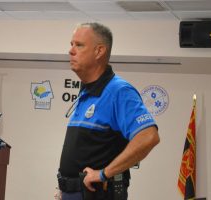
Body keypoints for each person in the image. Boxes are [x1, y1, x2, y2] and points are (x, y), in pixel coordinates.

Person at [56, 22, 160, 200]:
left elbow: (149, 137)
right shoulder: (87, 91)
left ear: (99, 51)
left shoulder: (118, 91)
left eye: (79, 45)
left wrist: (103, 173)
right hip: (72, 193)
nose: (71, 51)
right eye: (71, 44)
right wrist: (65, 188)